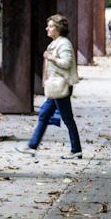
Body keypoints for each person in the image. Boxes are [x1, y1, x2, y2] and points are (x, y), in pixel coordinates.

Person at [16, 14, 82, 159]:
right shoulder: (56, 43)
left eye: (51, 26)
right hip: (55, 87)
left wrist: (50, 57)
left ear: (58, 29)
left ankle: (76, 149)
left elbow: (66, 63)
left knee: (67, 119)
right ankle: (32, 146)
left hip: (60, 86)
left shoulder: (63, 44)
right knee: (44, 114)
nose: (47, 28)